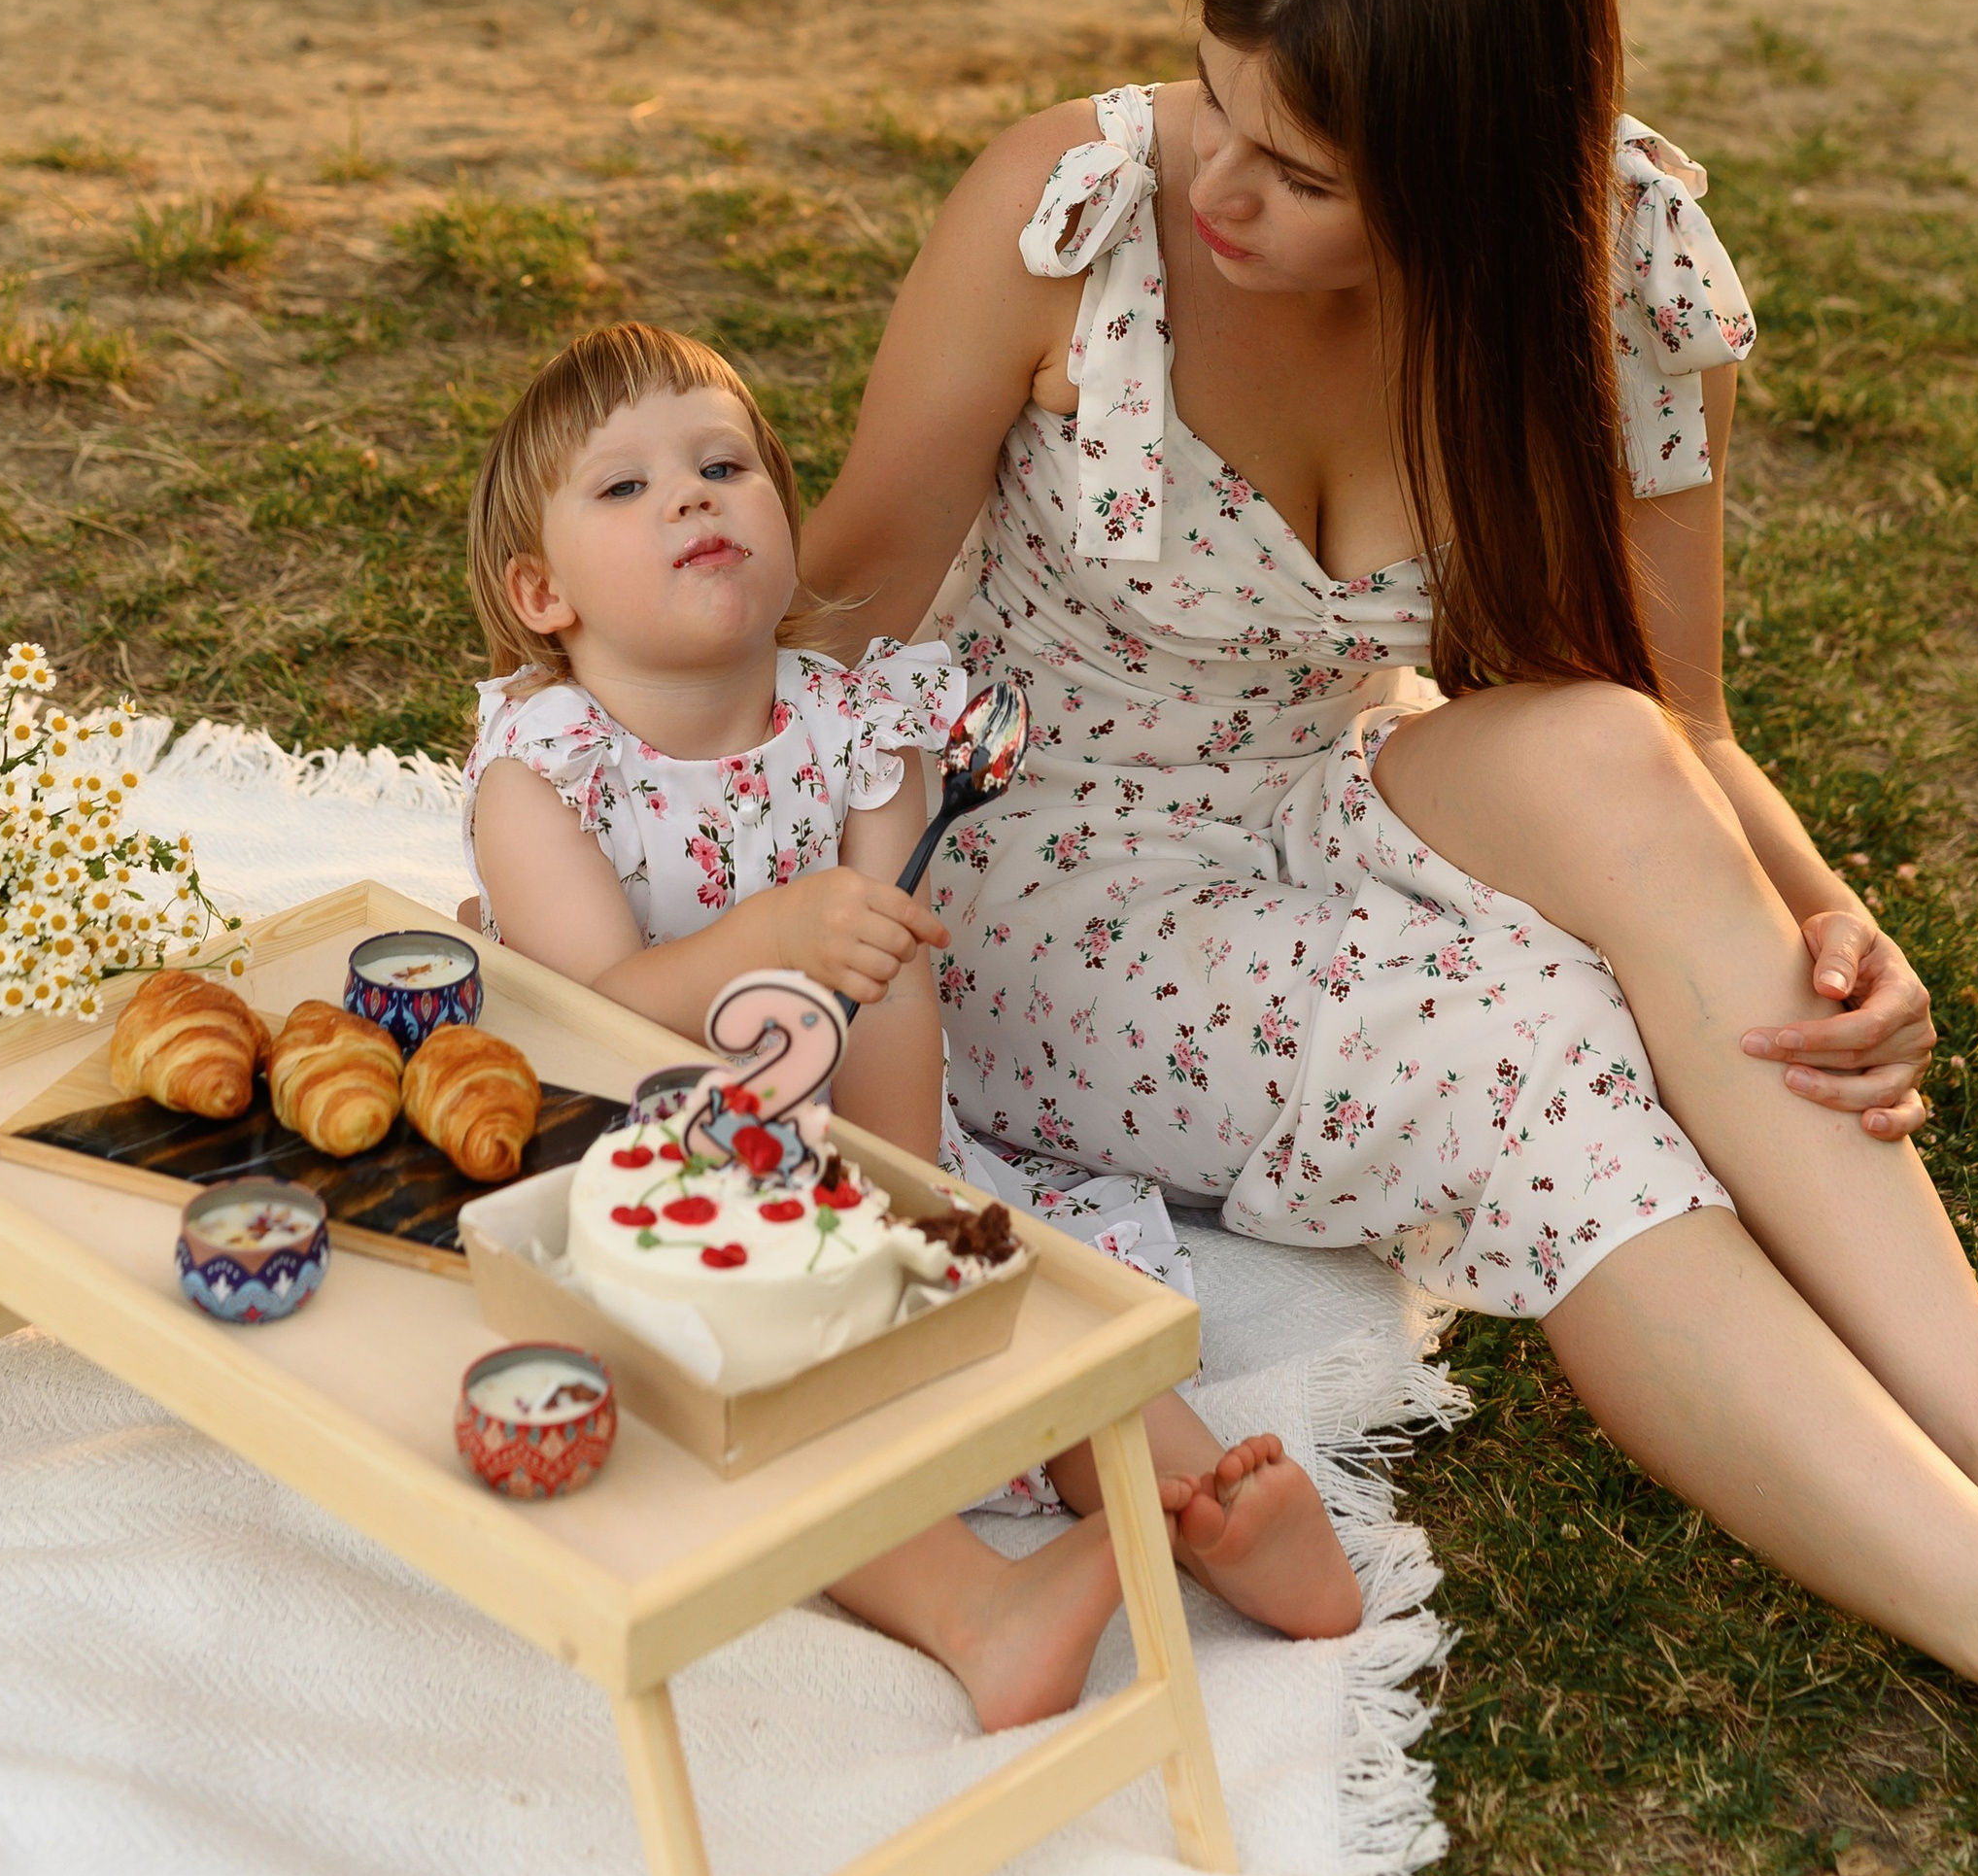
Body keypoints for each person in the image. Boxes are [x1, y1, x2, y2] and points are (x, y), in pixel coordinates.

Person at [801, 0, 1978, 1876]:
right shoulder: (1078, 209)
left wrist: (1809, 903)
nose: (1214, 184)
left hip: (1332, 791)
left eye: (1299, 168)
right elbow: (840, 609)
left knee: (1604, 764)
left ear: (1468, 176)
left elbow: (1664, 710)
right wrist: (693, 869)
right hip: (1047, 873)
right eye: (1216, 96)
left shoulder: (1617, 262)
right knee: (1523, 1052)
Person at [459, 318, 1361, 1728]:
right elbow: (598, 1021)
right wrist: (767, 940)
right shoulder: (544, 777)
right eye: (625, 489)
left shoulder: (861, 735)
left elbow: (897, 994)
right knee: (752, 1386)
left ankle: (1201, 1504)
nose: (692, 495)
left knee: (1020, 1302)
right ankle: (975, 1607)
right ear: (541, 593)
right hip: (643, 1184)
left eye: (723, 464)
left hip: (866, 1144)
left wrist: (901, 1203)